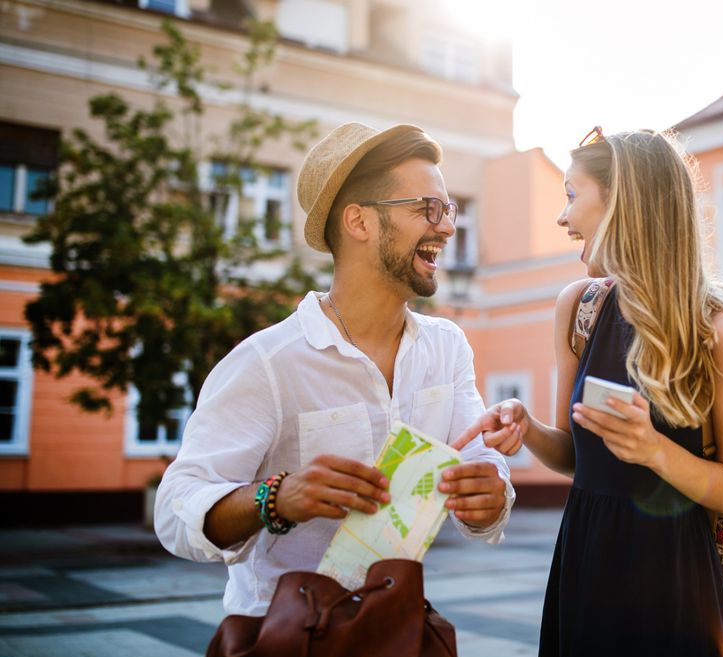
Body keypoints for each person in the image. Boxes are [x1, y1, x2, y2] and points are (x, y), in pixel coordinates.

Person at [155, 122, 515, 617]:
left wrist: (491, 496)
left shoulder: (447, 347)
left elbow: (479, 464)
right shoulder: (266, 362)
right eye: (427, 208)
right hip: (286, 646)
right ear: (359, 222)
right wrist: (276, 498)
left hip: (397, 633)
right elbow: (175, 511)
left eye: (448, 209)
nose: (448, 226)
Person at [453, 128, 723, 657]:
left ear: (625, 202)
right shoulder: (580, 308)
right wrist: (526, 427)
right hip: (584, 568)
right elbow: (575, 456)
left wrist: (655, 451)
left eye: (572, 195)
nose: (561, 217)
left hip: (674, 586)